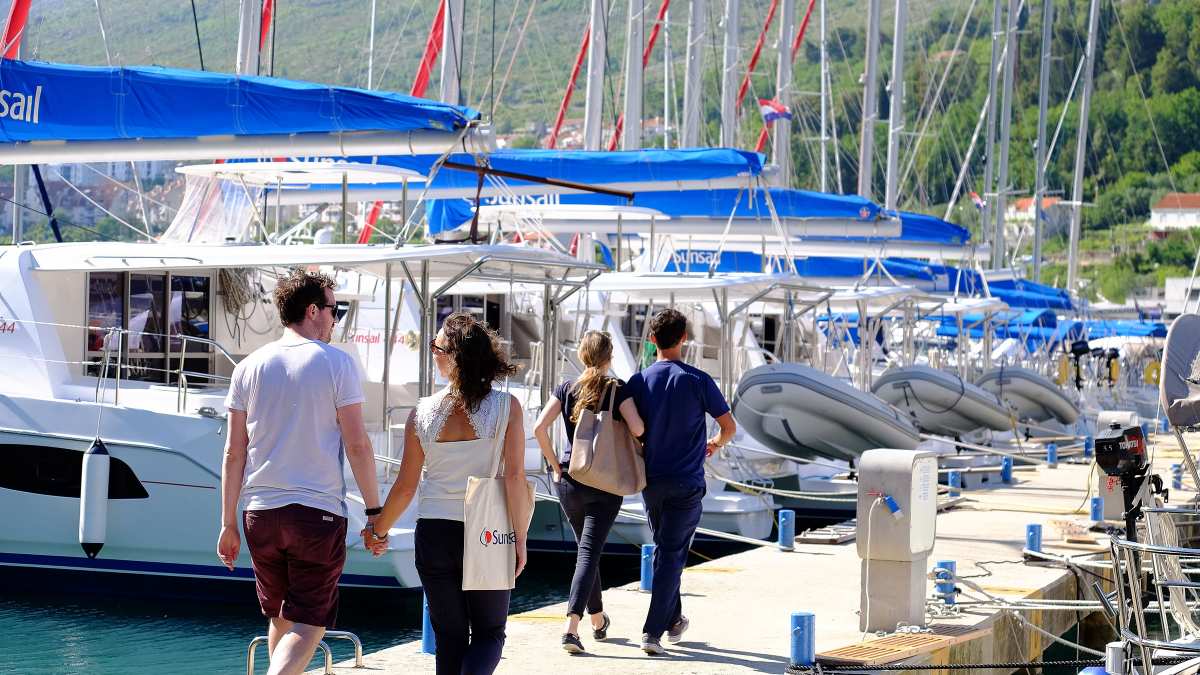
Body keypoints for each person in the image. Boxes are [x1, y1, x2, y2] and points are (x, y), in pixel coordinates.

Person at [217, 269, 382, 675]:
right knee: (310, 622)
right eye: (333, 309)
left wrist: (227, 523)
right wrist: (376, 513)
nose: (334, 318)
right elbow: (358, 445)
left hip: (259, 514)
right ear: (313, 311)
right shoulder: (336, 363)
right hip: (316, 512)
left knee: (282, 618)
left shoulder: (248, 367)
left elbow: (233, 453)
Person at [369, 312, 529, 675]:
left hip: (435, 532)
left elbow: (406, 486)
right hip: (485, 531)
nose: (433, 353)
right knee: (490, 633)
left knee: (449, 637)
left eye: (437, 347)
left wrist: (378, 531)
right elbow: (515, 477)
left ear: (453, 356)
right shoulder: (507, 408)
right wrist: (519, 538)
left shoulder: (421, 413)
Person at [623, 308, 736, 656]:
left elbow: (631, 430)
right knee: (670, 555)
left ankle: (673, 620)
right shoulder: (698, 380)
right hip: (687, 482)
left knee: (665, 552)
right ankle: (652, 632)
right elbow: (728, 426)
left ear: (651, 339)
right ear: (684, 338)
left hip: (653, 482)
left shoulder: (638, 382)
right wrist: (714, 445)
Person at [533, 331, 645, 654]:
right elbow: (638, 429)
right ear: (609, 357)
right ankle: (571, 629)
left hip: (570, 480)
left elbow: (539, 428)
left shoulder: (567, 388)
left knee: (587, 551)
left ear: (582, 355)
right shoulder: (616, 390)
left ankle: (597, 619)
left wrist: (555, 466)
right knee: (588, 552)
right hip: (606, 485)